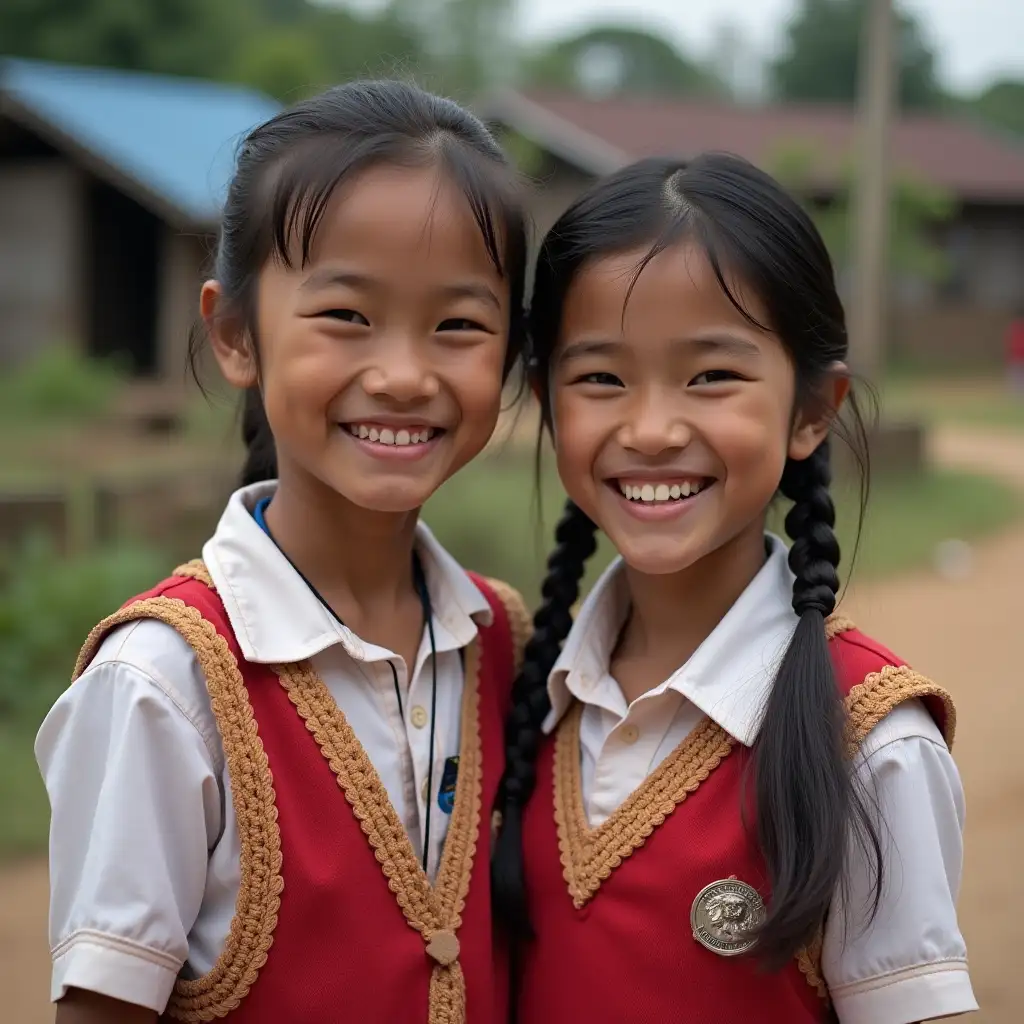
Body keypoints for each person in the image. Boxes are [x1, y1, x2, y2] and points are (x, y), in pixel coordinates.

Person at [36, 80, 532, 1024]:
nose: (402, 374)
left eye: (460, 325)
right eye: (346, 315)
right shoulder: (164, 684)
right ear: (234, 335)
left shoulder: (499, 638)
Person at [492, 155, 977, 1023]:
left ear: (811, 411)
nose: (650, 429)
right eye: (600, 378)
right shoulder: (522, 687)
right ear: (548, 402)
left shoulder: (870, 742)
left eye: (712, 375)